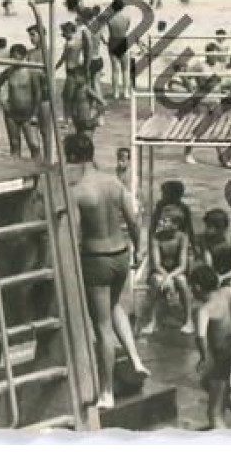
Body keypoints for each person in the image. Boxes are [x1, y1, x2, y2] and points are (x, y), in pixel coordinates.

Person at [65, 132, 148, 410]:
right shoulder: (113, 182)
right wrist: (138, 249)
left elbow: (73, 234)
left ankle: (107, 392)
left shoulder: (77, 191)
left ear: (73, 159)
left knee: (101, 327)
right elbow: (133, 221)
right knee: (114, 307)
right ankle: (135, 359)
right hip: (121, 254)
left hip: (96, 259)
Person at [190, 264, 231, 430]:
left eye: (192, 287)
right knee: (208, 384)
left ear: (197, 287)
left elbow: (200, 337)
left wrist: (204, 357)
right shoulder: (227, 293)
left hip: (223, 361)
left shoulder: (204, 310)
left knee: (214, 412)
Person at [141, 206, 194, 336]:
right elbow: (156, 264)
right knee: (156, 281)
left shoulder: (182, 237)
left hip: (177, 271)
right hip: (160, 271)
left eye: (165, 221)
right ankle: (152, 321)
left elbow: (183, 265)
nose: (161, 223)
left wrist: (170, 277)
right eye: (161, 221)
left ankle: (189, 320)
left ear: (176, 224)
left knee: (182, 281)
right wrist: (165, 277)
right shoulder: (156, 238)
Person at [0, 43, 46, 159]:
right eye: (12, 57)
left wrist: (35, 114)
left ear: (23, 56)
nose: (13, 59)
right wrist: (2, 103)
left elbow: (38, 94)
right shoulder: (9, 71)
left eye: (15, 57)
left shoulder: (32, 72)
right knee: (15, 145)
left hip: (28, 114)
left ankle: (37, 175)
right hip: (11, 113)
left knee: (34, 145)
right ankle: (18, 174)